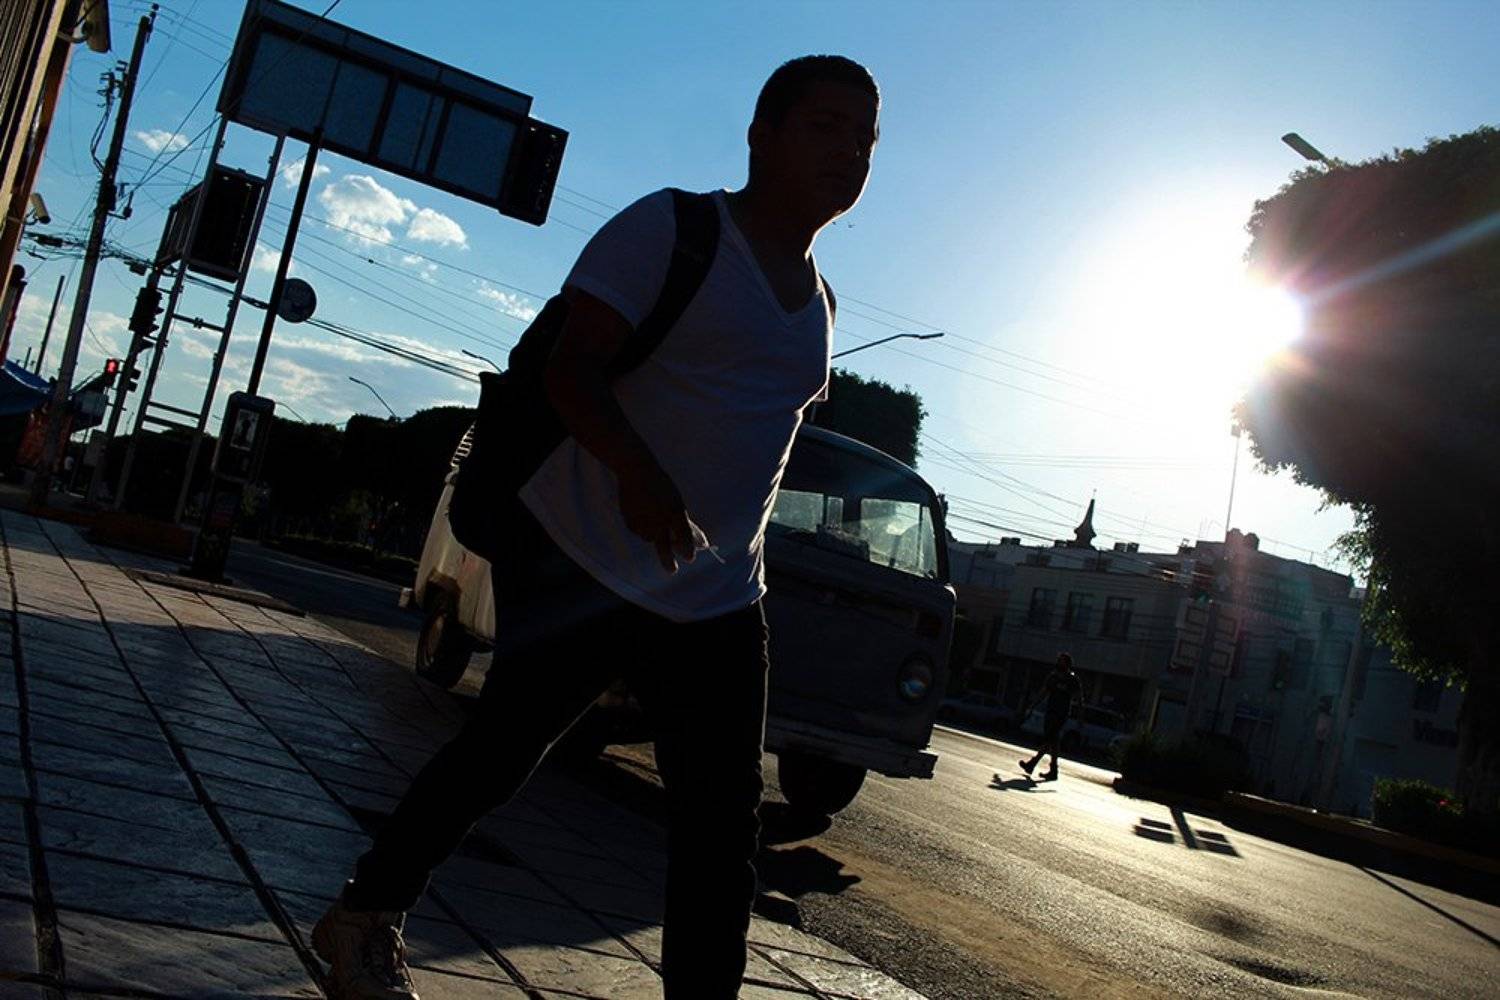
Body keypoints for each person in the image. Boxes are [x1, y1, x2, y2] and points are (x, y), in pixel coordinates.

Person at [312, 55, 880, 1000]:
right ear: (762, 136)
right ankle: (366, 914)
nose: (850, 152)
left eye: (865, 137)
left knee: (720, 832)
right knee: (500, 754)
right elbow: (569, 370)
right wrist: (641, 477)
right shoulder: (674, 230)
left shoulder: (821, 304)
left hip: (720, 599)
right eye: (826, 126)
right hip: (587, 564)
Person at [1019, 653, 1083, 781]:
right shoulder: (1053, 677)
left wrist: (1080, 716)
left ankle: (1032, 763)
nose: (1059, 663)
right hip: (1050, 712)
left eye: (1062, 661)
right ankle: (1053, 770)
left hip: (1062, 713)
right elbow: (1044, 692)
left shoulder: (1072, 679)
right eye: (1059, 660)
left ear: (1067, 664)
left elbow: (1079, 697)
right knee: (1054, 741)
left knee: (1050, 739)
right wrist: (1033, 706)